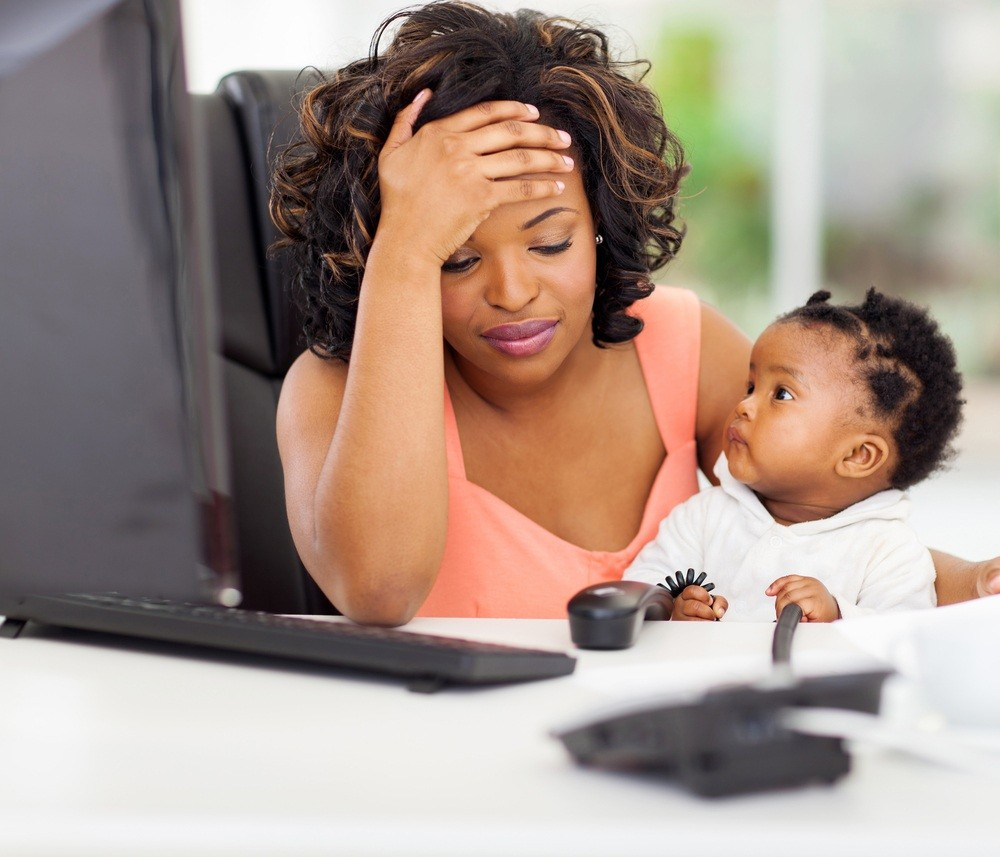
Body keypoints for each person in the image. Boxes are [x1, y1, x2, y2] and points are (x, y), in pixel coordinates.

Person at [270, 0, 999, 625]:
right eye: (456, 259)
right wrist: (403, 245)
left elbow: (829, 514)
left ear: (601, 223)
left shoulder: (678, 344)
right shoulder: (331, 390)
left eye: (550, 242)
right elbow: (379, 589)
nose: (513, 292)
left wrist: (970, 582)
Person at [625, 288, 962, 622]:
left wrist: (837, 615)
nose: (744, 406)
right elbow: (637, 590)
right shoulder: (703, 516)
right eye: (751, 387)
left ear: (858, 455)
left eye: (782, 394)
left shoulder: (890, 552)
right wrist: (674, 611)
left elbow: (902, 637)